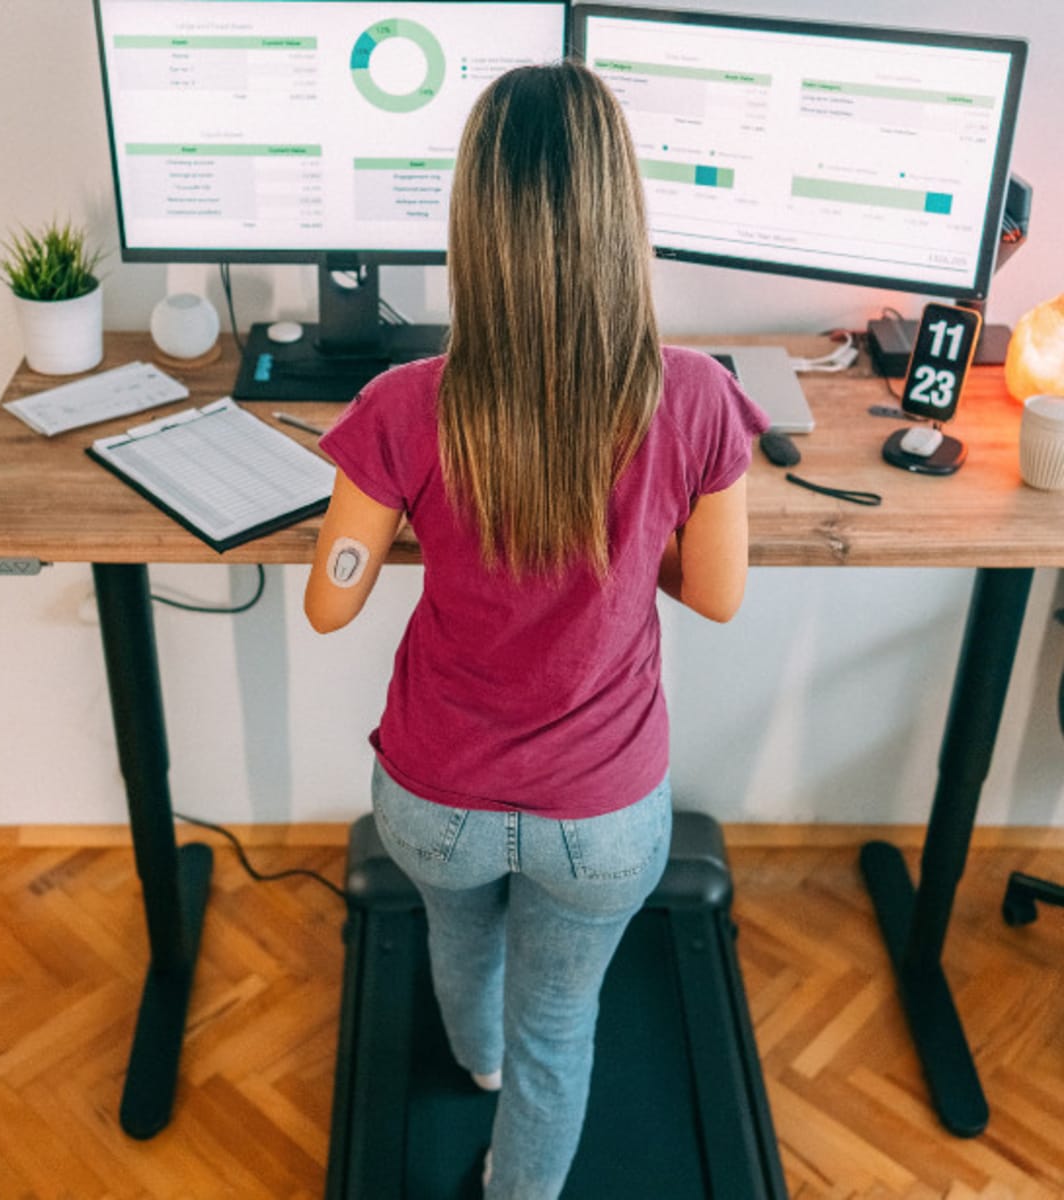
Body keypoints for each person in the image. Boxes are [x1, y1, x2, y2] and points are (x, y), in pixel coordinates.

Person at [304, 60, 768, 1200]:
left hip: (434, 801)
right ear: (623, 214)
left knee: (464, 950)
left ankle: (476, 1057)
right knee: (568, 1030)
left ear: (472, 222)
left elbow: (329, 600)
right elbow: (715, 594)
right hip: (603, 816)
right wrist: (623, 523)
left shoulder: (406, 403)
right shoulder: (697, 397)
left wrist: (408, 510)